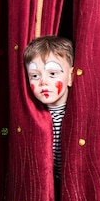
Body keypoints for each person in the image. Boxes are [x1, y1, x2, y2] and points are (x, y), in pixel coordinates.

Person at [23, 35, 74, 181]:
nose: (43, 82)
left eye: (52, 74)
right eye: (35, 76)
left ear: (70, 76)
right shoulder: (33, 116)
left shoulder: (74, 114)